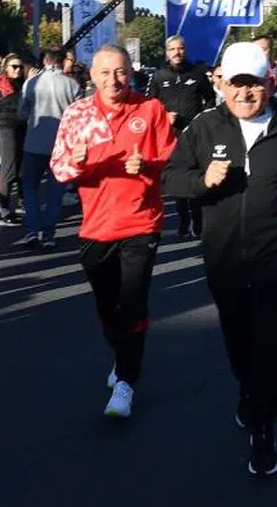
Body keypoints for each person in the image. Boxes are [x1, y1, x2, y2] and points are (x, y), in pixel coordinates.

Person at [163, 41, 277, 477]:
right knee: (239, 340)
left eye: (253, 84)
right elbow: (170, 178)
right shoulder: (205, 127)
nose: (244, 93)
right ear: (222, 85)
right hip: (224, 256)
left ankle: (264, 424)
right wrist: (202, 180)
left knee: (272, 341)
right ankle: (249, 391)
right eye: (236, 84)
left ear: (269, 83)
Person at [49, 45, 176, 419]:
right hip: (96, 226)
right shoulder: (78, 114)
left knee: (133, 301)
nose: (113, 80)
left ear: (131, 73)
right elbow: (59, 168)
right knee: (108, 307)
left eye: (120, 72)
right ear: (92, 76)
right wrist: (76, 163)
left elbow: (172, 160)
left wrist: (147, 164)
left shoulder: (150, 109)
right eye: (105, 73)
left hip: (141, 221)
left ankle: (126, 382)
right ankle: (121, 356)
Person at [148, 35, 215, 237]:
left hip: (194, 135)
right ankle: (183, 221)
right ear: (167, 52)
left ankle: (197, 220)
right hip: (170, 135)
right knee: (177, 178)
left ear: (185, 50)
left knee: (195, 176)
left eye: (180, 48)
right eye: (172, 49)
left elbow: (210, 100)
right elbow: (149, 106)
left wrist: (202, 120)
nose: (177, 53)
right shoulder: (159, 75)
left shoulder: (197, 73)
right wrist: (164, 116)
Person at [17, 48, 82, 249]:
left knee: (30, 187)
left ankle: (32, 229)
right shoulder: (72, 84)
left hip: (34, 143)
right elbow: (79, 116)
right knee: (55, 191)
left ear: (45, 61)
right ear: (63, 62)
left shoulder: (31, 83)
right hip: (61, 145)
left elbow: (21, 113)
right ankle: (49, 234)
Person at [0, 54, 27, 227]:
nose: (18, 70)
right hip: (7, 127)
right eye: (14, 66)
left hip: (21, 126)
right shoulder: (3, 83)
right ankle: (2, 209)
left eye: (20, 67)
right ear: (6, 67)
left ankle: (21, 203)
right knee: (9, 168)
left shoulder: (22, 83)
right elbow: (11, 102)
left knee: (21, 168)